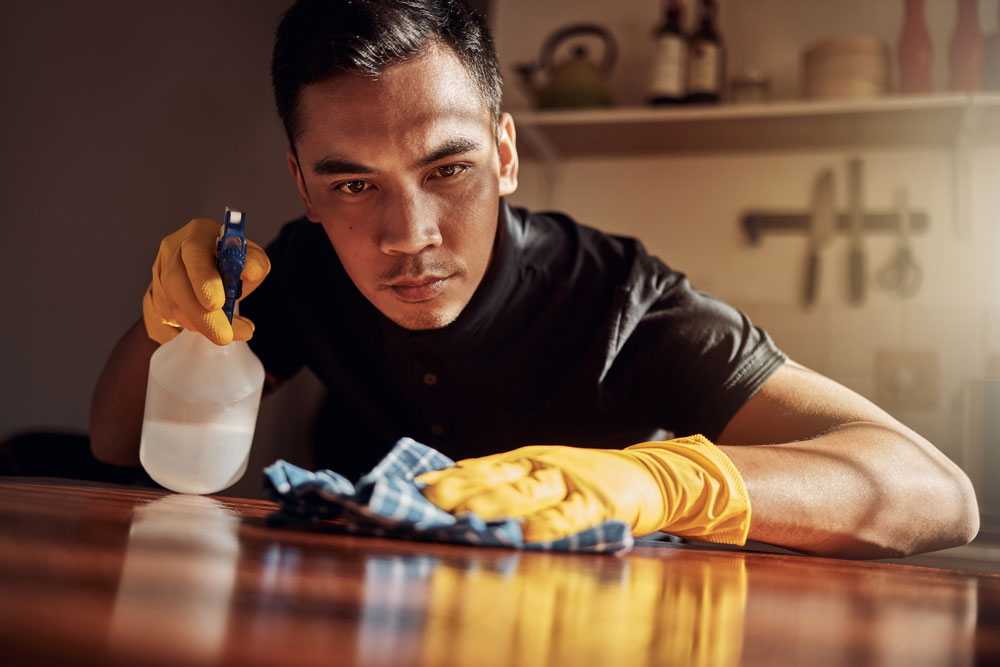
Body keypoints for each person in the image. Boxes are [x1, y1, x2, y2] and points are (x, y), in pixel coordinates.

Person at [90, 0, 978, 559]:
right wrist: (167, 326)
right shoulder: (303, 268)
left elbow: (935, 493)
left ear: (506, 153)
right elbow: (116, 442)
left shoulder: (624, 302)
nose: (410, 237)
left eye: (449, 169)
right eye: (353, 184)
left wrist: (657, 482)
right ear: (303, 185)